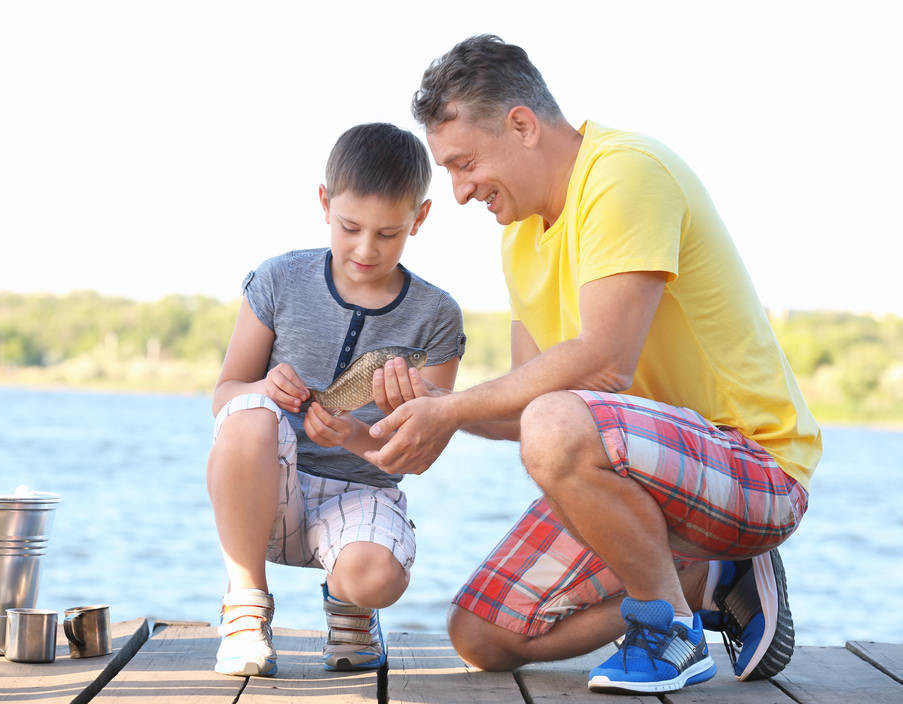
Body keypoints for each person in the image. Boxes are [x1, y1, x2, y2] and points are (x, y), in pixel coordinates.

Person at [362, 35, 821, 694]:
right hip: (650, 481)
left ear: (520, 125)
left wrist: (452, 408)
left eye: (463, 164)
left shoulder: (623, 172)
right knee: (480, 635)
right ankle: (704, 579)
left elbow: (601, 362)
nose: (459, 192)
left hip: (754, 465)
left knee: (557, 421)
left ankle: (668, 632)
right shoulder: (519, 238)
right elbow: (525, 415)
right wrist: (427, 413)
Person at [206, 122, 465, 677]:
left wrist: (351, 433)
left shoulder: (437, 316)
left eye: (388, 234)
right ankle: (246, 605)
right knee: (248, 418)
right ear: (325, 204)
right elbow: (225, 396)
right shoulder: (278, 279)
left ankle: (351, 607)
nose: (366, 249)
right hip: (269, 489)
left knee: (372, 577)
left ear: (420, 219)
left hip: (364, 489)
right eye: (350, 227)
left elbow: (419, 457)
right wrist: (263, 390)